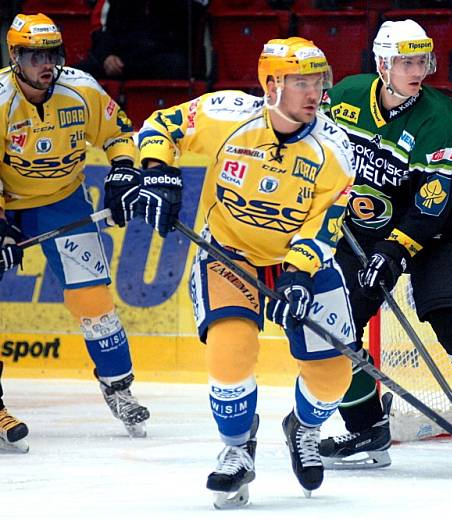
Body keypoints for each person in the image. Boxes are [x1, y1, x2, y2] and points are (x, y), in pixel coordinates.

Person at [136, 37, 356, 507]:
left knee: (334, 377)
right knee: (229, 351)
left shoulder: (334, 148)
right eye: (302, 82)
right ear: (271, 84)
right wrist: (156, 170)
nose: (314, 92)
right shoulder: (227, 115)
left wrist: (297, 276)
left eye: (318, 81)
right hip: (230, 251)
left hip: (300, 259)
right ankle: (237, 448)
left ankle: (305, 428)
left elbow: (326, 226)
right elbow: (162, 124)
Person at [320, 19, 452, 475]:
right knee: (333, 327)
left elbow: (433, 200)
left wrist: (394, 251)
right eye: (405, 62)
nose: (417, 71)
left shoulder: (442, 116)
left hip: (436, 232)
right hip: (365, 228)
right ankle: (366, 427)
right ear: (382, 64)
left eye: (422, 61)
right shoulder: (346, 97)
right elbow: (319, 153)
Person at [0, 13, 150, 447]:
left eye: (53, 54)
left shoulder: (81, 88)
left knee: (93, 299)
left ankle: (118, 388)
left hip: (62, 203)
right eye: (35, 56)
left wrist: (123, 170)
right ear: (15, 58)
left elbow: (119, 132)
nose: (47, 64)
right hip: (8, 204)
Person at [75, 0, 204, 80]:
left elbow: (195, 18)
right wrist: (106, 57)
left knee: (178, 65)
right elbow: (100, 27)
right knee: (77, 75)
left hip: (163, 60)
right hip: (122, 61)